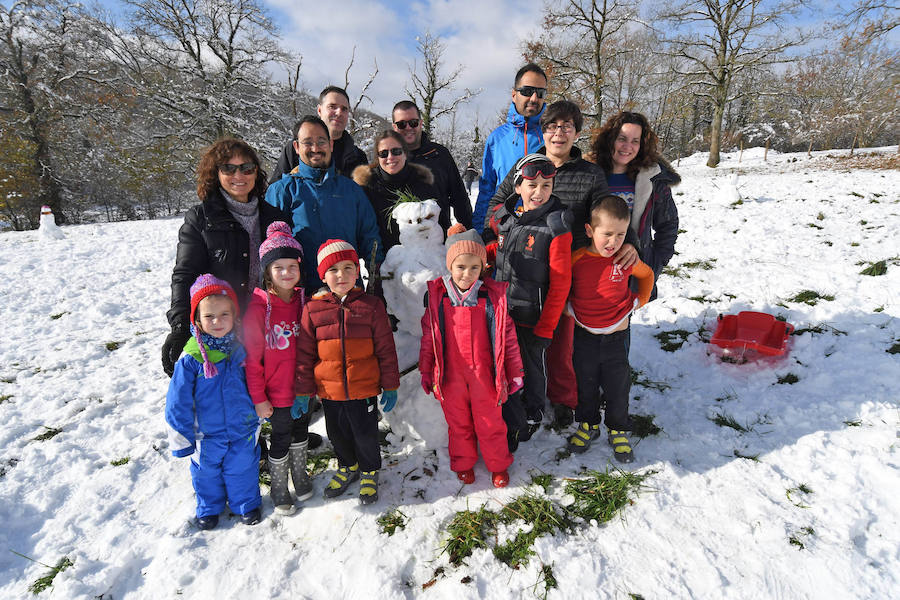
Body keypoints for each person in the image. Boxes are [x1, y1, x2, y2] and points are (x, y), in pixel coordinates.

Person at [485, 100, 623, 427]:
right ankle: (521, 394)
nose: (559, 133)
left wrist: (626, 243)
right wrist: (494, 237)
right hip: (527, 262)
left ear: (576, 132)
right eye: (552, 126)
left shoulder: (589, 174)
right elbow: (498, 203)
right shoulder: (526, 165)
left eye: (567, 126)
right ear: (543, 131)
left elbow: (606, 216)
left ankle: (563, 400)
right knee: (519, 341)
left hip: (569, 265)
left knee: (561, 343)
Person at [162, 137, 286, 377]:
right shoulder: (201, 218)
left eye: (246, 168)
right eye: (228, 168)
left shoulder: (274, 217)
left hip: (267, 325)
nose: (239, 175)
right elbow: (185, 274)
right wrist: (179, 325)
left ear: (256, 172)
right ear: (215, 173)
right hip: (222, 329)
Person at [295, 240, 400, 505]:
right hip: (330, 391)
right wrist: (304, 391)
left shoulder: (371, 306)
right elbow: (305, 354)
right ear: (323, 276)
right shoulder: (312, 309)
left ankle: (369, 470)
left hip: (363, 389)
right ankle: (347, 466)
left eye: (348, 268)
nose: (341, 275)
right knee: (337, 433)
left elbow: (386, 349)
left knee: (365, 434)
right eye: (333, 270)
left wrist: (390, 384)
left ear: (357, 271)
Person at [420, 225, 524, 488]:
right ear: (449, 266)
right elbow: (429, 338)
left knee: (490, 422)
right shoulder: (438, 298)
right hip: (450, 376)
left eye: (474, 267)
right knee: (459, 423)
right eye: (461, 267)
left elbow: (508, 338)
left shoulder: (491, 299)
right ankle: (463, 462)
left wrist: (515, 372)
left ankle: (498, 465)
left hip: (485, 376)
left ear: (483, 267)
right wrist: (426, 370)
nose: (467, 274)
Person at [165, 275, 262, 530]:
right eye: (209, 316)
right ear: (197, 319)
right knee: (206, 472)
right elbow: (177, 401)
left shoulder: (242, 349)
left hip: (243, 427)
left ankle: (246, 504)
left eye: (224, 314)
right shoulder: (192, 358)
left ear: (235, 315)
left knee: (242, 466)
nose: (217, 322)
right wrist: (181, 437)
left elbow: (257, 380)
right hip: (206, 434)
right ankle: (209, 507)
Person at [488, 154, 572, 444]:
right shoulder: (506, 217)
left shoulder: (556, 226)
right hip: (504, 311)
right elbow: (497, 251)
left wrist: (546, 327)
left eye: (546, 185)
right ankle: (510, 404)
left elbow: (561, 283)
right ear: (518, 187)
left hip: (533, 316)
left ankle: (534, 409)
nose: (539, 192)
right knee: (505, 362)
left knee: (532, 366)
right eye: (532, 185)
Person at [566, 196, 654, 463]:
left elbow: (647, 275)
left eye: (620, 235)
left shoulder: (625, 259)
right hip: (584, 338)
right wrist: (566, 309)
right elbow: (560, 285)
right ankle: (588, 424)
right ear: (590, 230)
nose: (613, 241)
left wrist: (640, 301)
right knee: (586, 384)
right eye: (607, 234)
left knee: (617, 387)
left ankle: (618, 429)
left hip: (616, 338)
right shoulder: (577, 259)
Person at [265, 115, 384, 293]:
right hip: (302, 296)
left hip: (348, 294)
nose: (315, 148)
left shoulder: (351, 190)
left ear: (331, 144)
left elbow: (371, 240)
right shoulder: (282, 191)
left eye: (321, 141)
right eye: (308, 142)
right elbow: (270, 250)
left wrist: (376, 286)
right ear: (296, 147)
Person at [243, 222, 312, 515]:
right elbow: (252, 360)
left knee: (302, 430)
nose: (286, 273)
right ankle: (279, 486)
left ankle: (300, 473)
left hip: (303, 388)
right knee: (281, 436)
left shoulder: (305, 302)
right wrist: (259, 398)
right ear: (267, 272)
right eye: (278, 267)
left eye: (292, 266)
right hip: (276, 393)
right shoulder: (257, 309)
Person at [590, 111, 680, 297]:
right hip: (592, 270)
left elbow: (668, 224)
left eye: (635, 141)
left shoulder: (652, 179)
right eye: (622, 139)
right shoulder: (589, 173)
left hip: (632, 273)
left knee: (625, 315)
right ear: (610, 139)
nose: (627, 146)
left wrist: (655, 261)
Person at [472, 63, 548, 233]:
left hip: (543, 231)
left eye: (540, 93)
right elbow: (487, 190)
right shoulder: (497, 139)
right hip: (504, 229)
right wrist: (481, 230)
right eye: (527, 91)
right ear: (514, 95)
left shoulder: (552, 136)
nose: (534, 98)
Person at [391, 100, 473, 232]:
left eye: (413, 122)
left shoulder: (440, 154)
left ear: (421, 123)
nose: (408, 128)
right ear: (394, 127)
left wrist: (468, 231)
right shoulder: (387, 159)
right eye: (401, 124)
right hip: (400, 240)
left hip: (438, 238)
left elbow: (459, 197)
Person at [351, 130, 440, 252]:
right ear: (377, 157)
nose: (390, 157)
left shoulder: (422, 183)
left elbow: (438, 225)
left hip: (420, 257)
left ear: (405, 153)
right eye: (383, 153)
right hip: (380, 259)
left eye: (396, 151)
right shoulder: (366, 188)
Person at [268, 86, 368, 182]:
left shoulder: (357, 157)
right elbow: (276, 189)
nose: (339, 113)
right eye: (332, 107)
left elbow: (365, 192)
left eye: (344, 109)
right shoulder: (296, 149)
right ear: (319, 110)